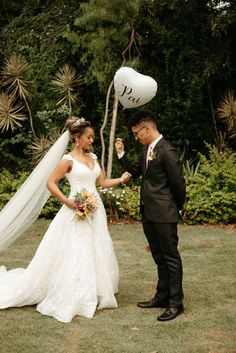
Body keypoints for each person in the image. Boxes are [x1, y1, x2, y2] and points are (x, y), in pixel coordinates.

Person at [0, 117, 131, 323]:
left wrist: (121, 179)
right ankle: (74, 290)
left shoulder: (94, 158)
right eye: (89, 138)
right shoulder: (67, 160)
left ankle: (95, 289)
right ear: (77, 138)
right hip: (75, 211)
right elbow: (51, 183)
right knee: (76, 249)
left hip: (96, 211)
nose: (91, 141)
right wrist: (69, 203)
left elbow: (103, 182)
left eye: (92, 138)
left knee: (97, 247)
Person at [115, 109, 186, 322]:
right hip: (148, 212)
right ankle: (162, 296)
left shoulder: (167, 151)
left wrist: (176, 209)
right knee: (158, 256)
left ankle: (176, 302)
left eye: (137, 133)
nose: (136, 137)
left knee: (171, 257)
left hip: (165, 214)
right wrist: (121, 154)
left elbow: (178, 185)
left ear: (147, 128)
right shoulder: (147, 148)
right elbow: (137, 172)